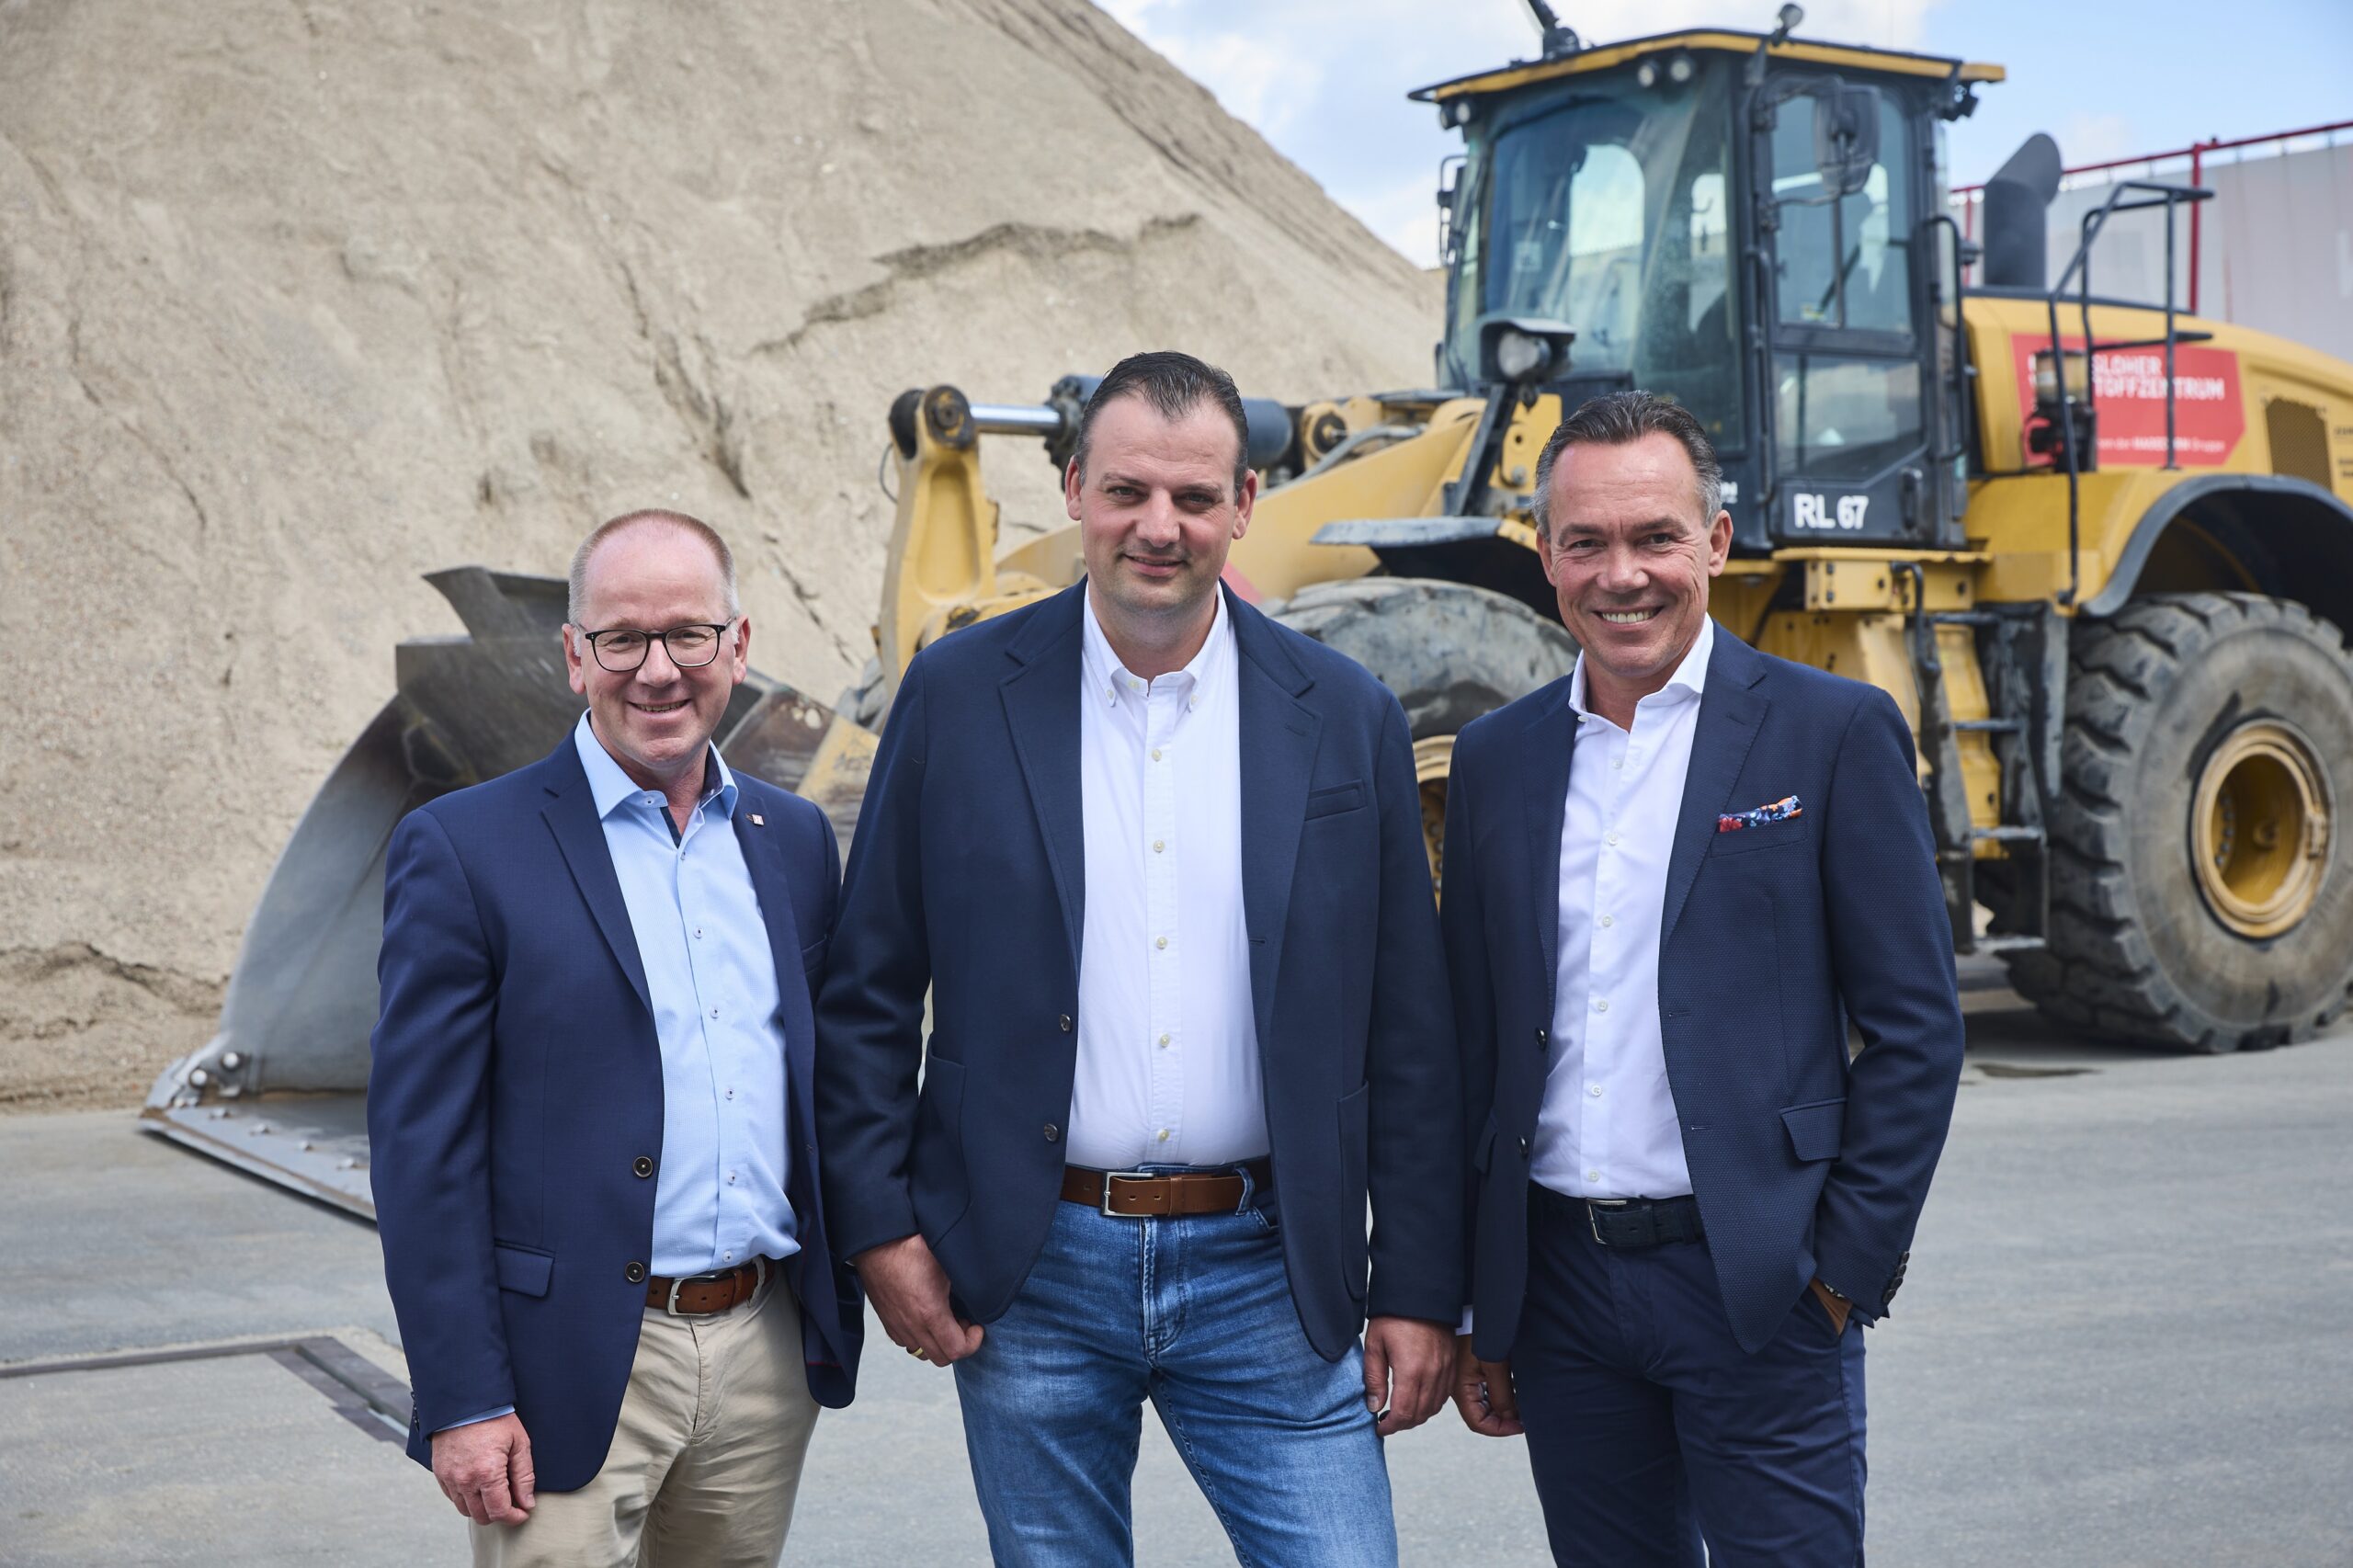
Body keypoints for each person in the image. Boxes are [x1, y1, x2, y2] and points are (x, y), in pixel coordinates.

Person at [814, 351, 1461, 1566]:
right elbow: (869, 988)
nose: (1158, 526)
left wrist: (1421, 1285)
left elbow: (1410, 1027)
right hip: (1032, 1267)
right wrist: (880, 1228)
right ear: (1075, 488)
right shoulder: (957, 696)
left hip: (1271, 1269)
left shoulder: (1345, 714)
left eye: (1194, 496)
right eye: (1126, 491)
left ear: (1246, 503)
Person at [1443, 391, 1965, 1565]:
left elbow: (1918, 1030)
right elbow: (1474, 1042)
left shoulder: (1831, 732)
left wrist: (1838, 1274)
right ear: (1546, 554)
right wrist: (1484, 1297)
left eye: (1655, 537)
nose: (1621, 574)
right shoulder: (1495, 757)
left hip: (1760, 1286)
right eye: (1586, 542)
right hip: (1561, 1296)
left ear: (1715, 542)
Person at [369, 509, 861, 1566]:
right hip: (565, 1362)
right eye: (621, 638)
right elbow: (422, 1153)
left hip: (762, 1348)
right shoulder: (465, 847)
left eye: (688, 633)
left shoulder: (793, 840)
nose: (657, 670)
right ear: (573, 655)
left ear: (737, 643)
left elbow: (828, 1085)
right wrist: (464, 1395)